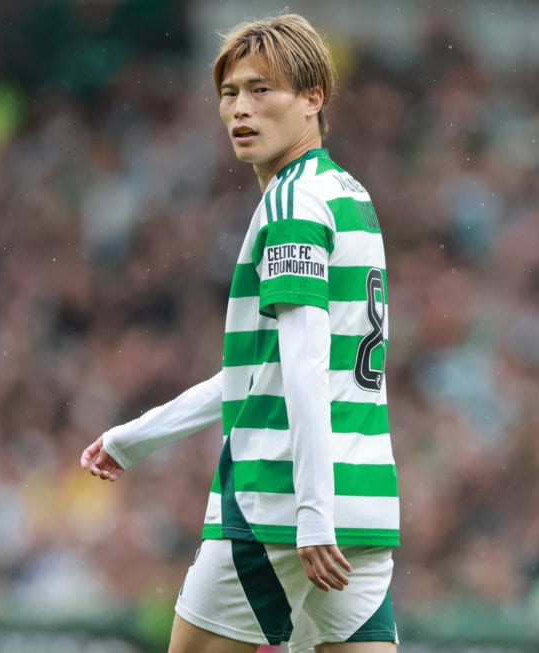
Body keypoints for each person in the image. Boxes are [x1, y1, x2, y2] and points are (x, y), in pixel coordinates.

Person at [81, 13, 399, 652]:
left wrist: (311, 514)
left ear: (314, 100)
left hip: (280, 504)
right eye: (230, 93)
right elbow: (269, 370)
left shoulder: (292, 205)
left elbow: (306, 367)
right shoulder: (349, 195)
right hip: (365, 504)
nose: (240, 110)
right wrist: (137, 437)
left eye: (263, 90)